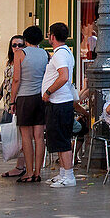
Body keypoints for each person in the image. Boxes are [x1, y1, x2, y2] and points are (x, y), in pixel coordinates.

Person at [41, 23, 78, 188]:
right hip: (60, 102)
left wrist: (48, 92)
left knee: (62, 140)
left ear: (52, 36)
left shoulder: (60, 55)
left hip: (59, 102)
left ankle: (69, 175)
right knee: (58, 138)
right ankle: (63, 173)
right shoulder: (65, 53)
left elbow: (63, 77)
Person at [11, 25, 48, 183]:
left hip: (24, 97)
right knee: (39, 137)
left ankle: (29, 171)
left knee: (26, 137)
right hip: (39, 97)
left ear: (25, 39)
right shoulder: (45, 54)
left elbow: (16, 79)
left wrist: (12, 99)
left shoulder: (20, 53)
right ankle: (38, 172)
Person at [0, 32, 27, 178]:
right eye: (14, 45)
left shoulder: (22, 61)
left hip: (18, 101)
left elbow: (17, 81)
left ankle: (21, 166)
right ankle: (21, 165)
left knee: (21, 135)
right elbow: (6, 82)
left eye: (20, 45)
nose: (16, 47)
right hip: (9, 102)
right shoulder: (10, 62)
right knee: (13, 134)